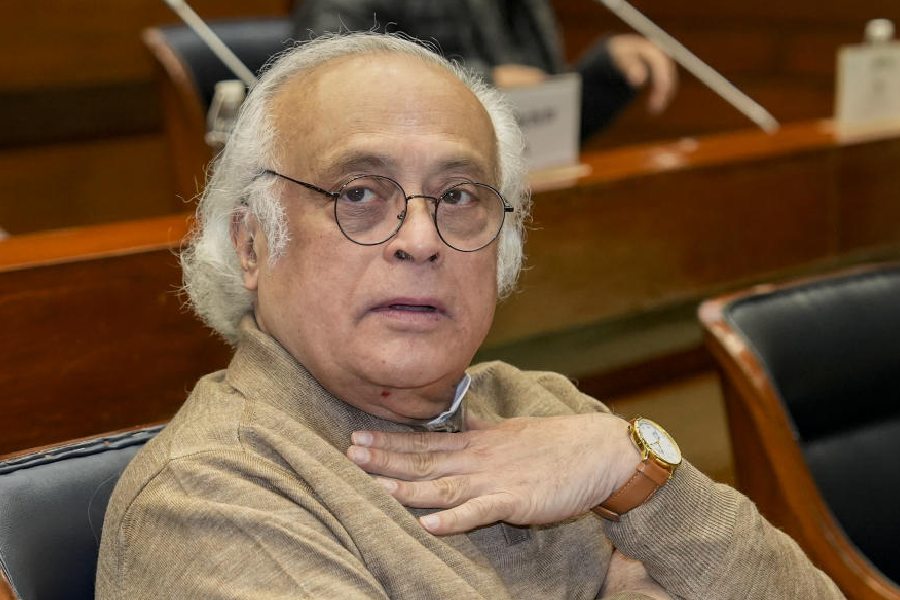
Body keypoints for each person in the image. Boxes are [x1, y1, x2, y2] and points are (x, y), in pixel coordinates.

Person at [96, 33, 843, 598]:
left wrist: (636, 471)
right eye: (359, 193)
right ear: (252, 242)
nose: (420, 240)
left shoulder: (542, 407)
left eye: (458, 197)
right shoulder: (212, 495)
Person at [291, 0, 678, 142]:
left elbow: (539, 133)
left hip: (515, 207)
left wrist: (605, 72)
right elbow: (326, 78)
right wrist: (485, 83)